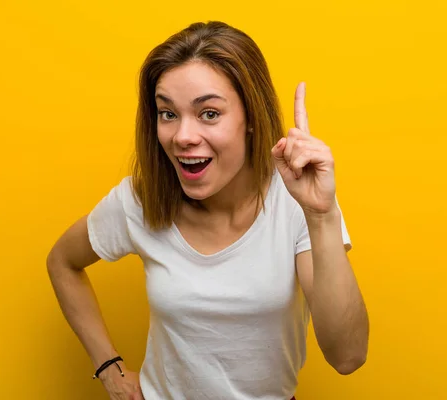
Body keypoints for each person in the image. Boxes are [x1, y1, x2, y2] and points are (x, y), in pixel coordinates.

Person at [46, 21, 369, 400]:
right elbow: (63, 262)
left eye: (209, 113)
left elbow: (348, 356)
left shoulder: (295, 199)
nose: (182, 136)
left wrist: (321, 216)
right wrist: (108, 369)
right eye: (168, 113)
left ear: (250, 118)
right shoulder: (142, 198)